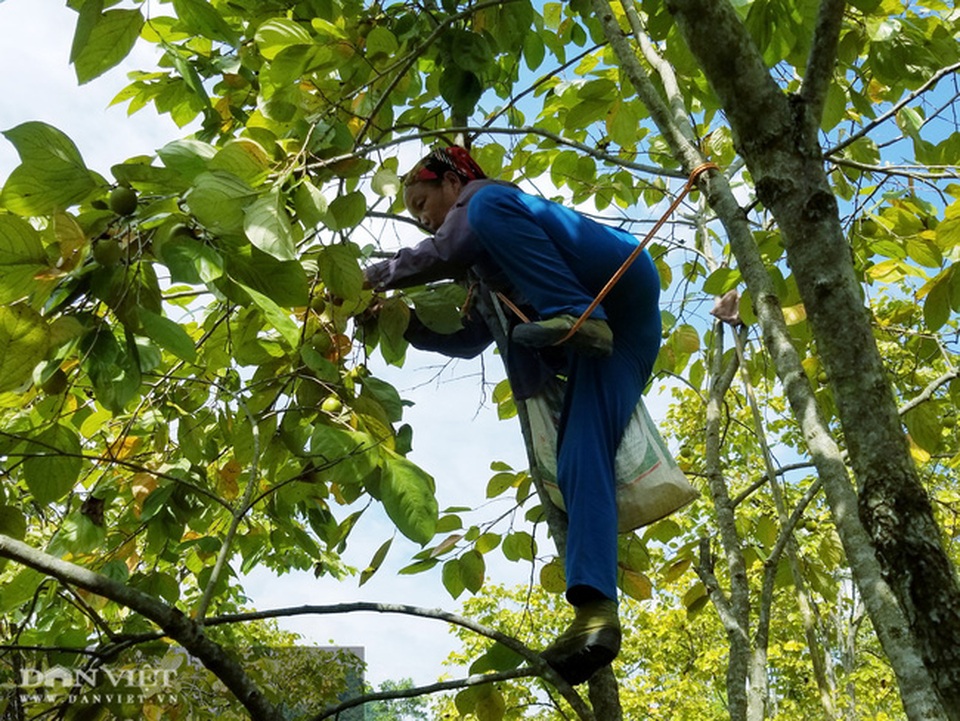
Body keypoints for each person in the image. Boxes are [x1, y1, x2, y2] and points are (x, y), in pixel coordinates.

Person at [364, 146, 662, 685]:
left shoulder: (487, 202)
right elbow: (468, 340)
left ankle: (573, 311)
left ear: (453, 181)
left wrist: (372, 277)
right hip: (602, 344)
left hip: (618, 302)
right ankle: (595, 614)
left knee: (484, 215)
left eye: (422, 201)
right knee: (578, 457)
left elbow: (447, 246)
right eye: (412, 212)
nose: (422, 216)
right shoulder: (490, 269)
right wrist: (397, 321)